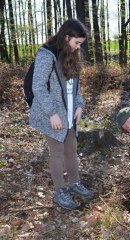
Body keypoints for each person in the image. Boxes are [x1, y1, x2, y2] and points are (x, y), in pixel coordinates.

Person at [29, 19, 94, 210]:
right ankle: (60, 192)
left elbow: (76, 87)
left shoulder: (72, 55)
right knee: (57, 153)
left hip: (69, 115)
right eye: (77, 43)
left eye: (81, 44)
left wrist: (79, 106)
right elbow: (38, 87)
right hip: (52, 115)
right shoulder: (46, 55)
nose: (78, 47)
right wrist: (52, 113)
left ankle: (74, 183)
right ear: (67, 37)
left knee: (71, 150)